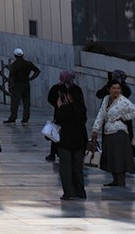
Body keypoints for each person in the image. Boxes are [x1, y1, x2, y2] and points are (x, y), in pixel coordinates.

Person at [92, 79, 135, 187]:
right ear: (109, 89)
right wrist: (95, 129)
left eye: (118, 88)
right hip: (108, 132)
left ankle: (121, 181)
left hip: (119, 133)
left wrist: (124, 117)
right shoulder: (106, 99)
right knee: (111, 156)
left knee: (119, 157)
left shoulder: (123, 101)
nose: (116, 90)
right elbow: (101, 114)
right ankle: (115, 180)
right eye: (114, 88)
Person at [54, 72, 89, 200]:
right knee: (78, 168)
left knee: (65, 168)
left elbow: (57, 121)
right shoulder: (82, 109)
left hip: (66, 141)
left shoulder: (64, 109)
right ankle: (80, 191)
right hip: (80, 140)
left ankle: (69, 192)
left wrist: (59, 106)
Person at [6, 49, 38, 123]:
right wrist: (31, 78)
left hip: (17, 85)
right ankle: (25, 118)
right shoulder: (28, 63)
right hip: (26, 84)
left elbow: (11, 77)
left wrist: (10, 87)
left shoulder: (14, 65)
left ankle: (13, 117)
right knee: (26, 103)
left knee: (15, 103)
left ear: (15, 55)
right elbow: (37, 71)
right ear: (23, 55)